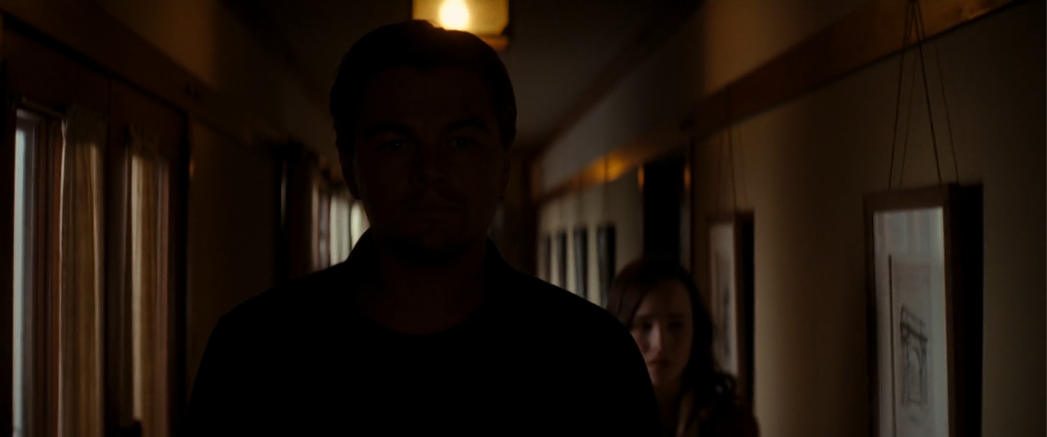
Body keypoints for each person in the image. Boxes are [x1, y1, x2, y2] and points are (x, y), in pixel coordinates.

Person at [181, 20, 661, 436]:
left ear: (503, 166)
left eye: (460, 142)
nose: (430, 170)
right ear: (350, 166)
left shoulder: (590, 359)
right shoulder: (255, 354)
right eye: (396, 144)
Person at [606, 257, 759, 437]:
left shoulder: (731, 423)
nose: (660, 344)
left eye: (675, 325)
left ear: (695, 330)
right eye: (644, 326)